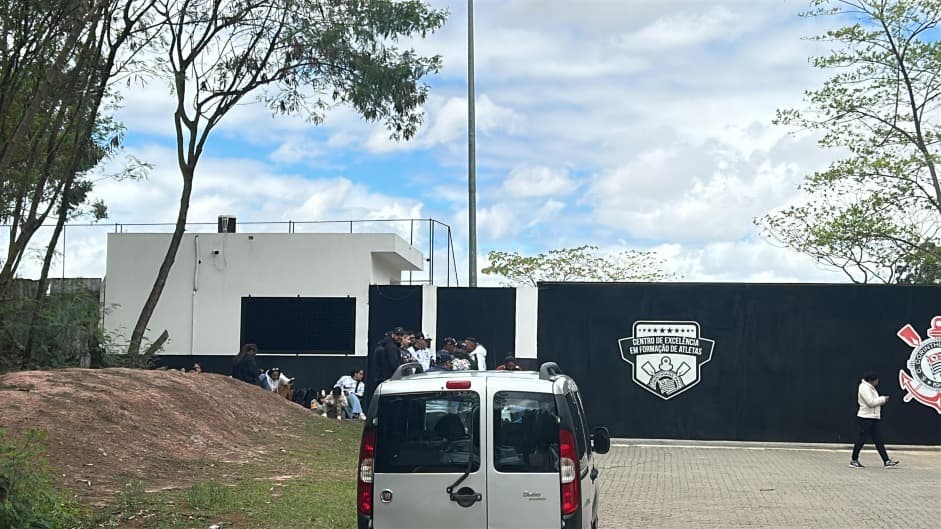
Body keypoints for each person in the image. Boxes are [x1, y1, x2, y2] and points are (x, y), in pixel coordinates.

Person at [850, 372, 900, 468]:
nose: (878, 382)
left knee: (878, 440)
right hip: (865, 418)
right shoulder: (864, 388)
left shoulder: (870, 388)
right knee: (862, 439)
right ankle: (854, 460)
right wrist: (883, 399)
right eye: (877, 380)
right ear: (871, 380)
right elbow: (870, 402)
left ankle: (886, 460)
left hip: (873, 417)